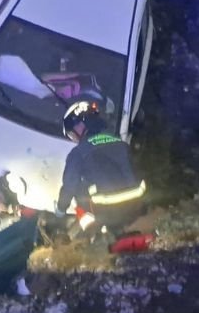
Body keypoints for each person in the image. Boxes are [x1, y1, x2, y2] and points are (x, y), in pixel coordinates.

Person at [56, 100, 146, 237]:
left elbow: (69, 186)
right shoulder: (122, 144)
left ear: (80, 126)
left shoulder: (78, 153)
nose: (73, 138)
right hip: (136, 208)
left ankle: (93, 234)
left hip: (106, 212)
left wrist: (60, 210)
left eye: (71, 134)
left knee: (77, 190)